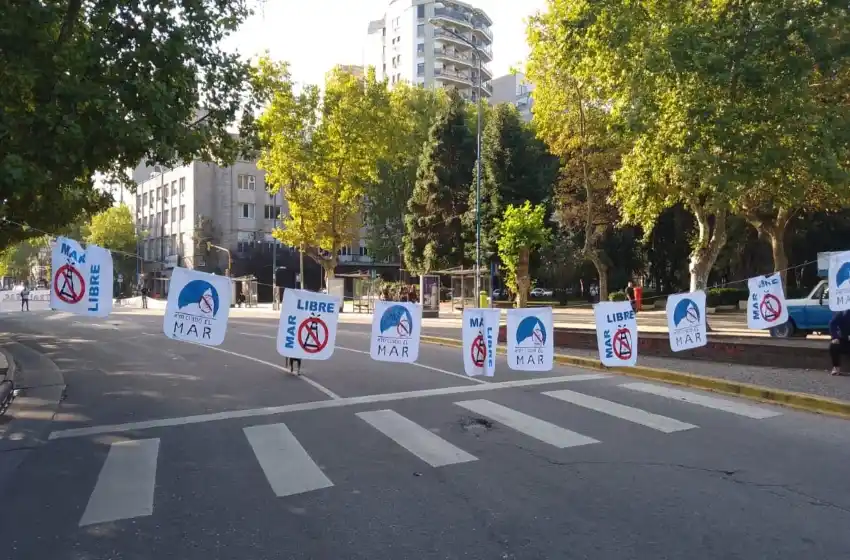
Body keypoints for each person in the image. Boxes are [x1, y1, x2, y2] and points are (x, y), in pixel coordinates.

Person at [829, 310, 850, 376]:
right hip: (845, 340)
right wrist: (835, 337)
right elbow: (832, 324)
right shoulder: (843, 313)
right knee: (834, 345)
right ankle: (836, 367)